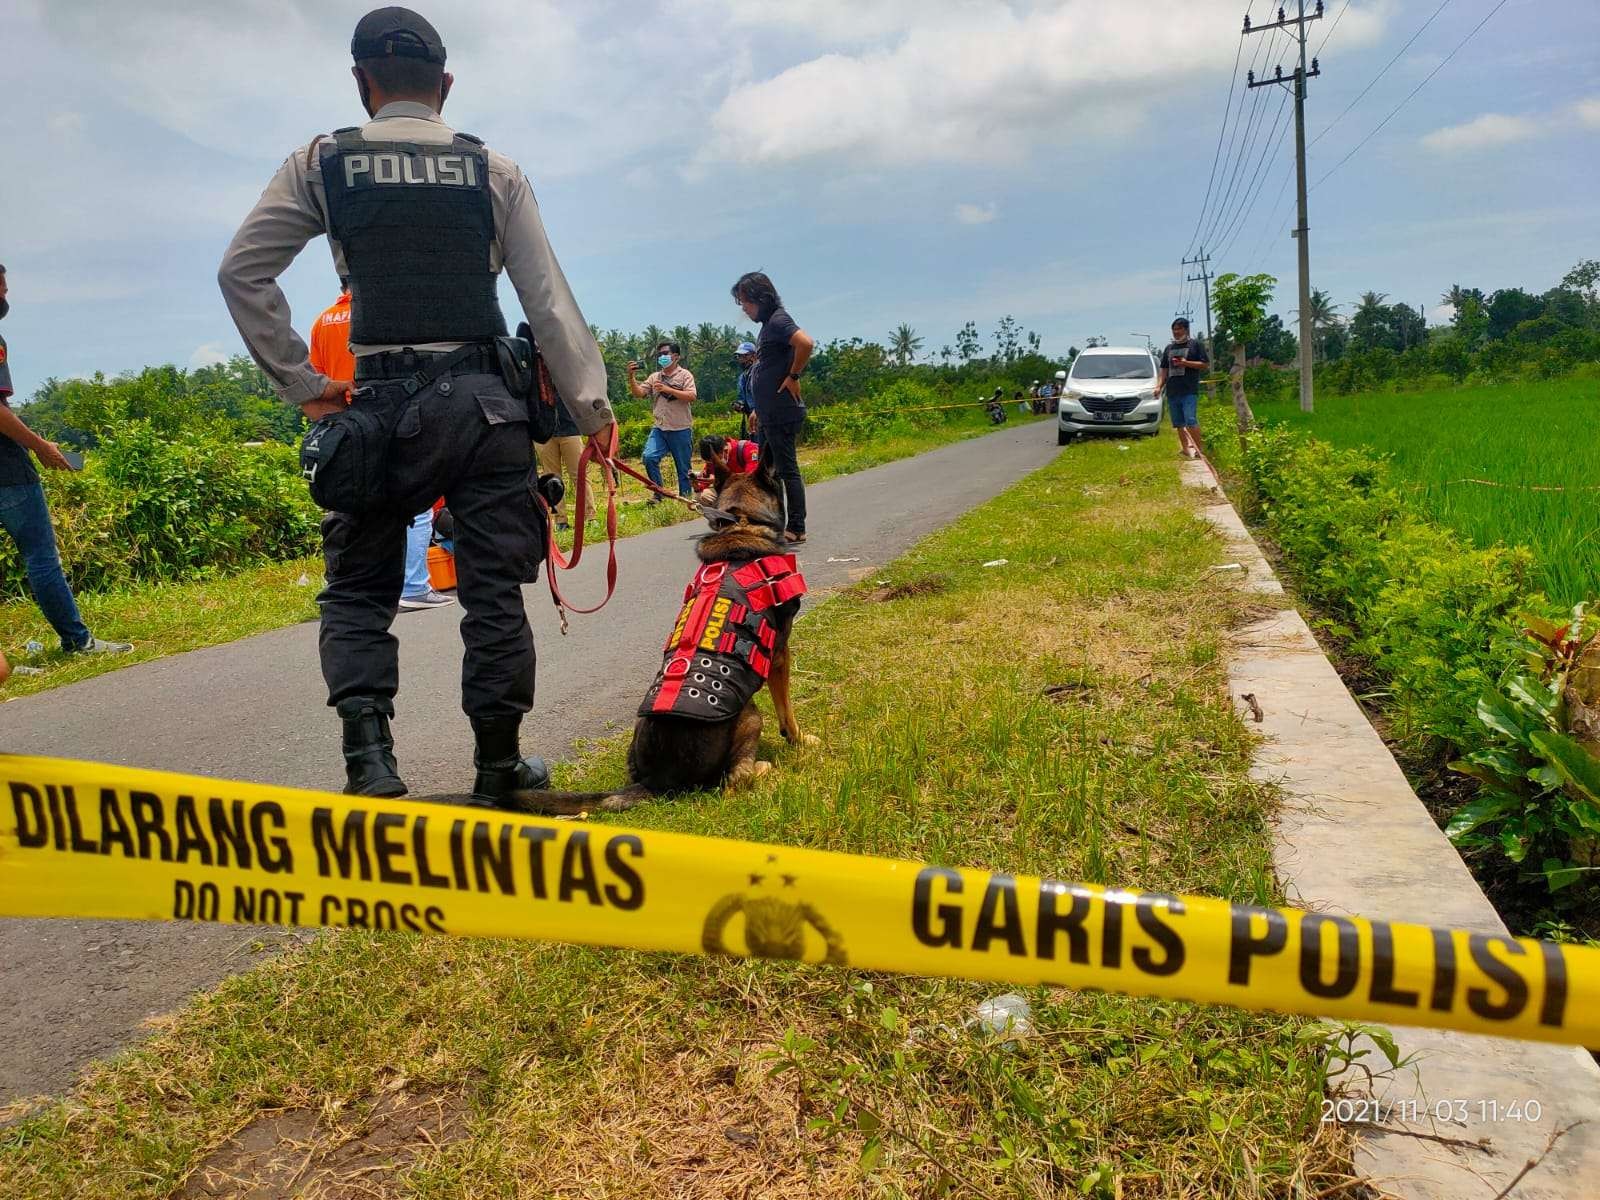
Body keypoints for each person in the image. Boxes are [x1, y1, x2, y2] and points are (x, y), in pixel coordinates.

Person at [217, 7, 614, 805]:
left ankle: (370, 764)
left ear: (362, 82)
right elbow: (548, 302)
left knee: (359, 589)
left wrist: (304, 383)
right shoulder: (492, 169)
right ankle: (498, 765)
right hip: (484, 408)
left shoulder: (321, 162)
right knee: (493, 591)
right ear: (447, 85)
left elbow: (242, 274)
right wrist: (593, 410)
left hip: (374, 409)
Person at [0, 265, 132, 658]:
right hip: (7, 473)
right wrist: (41, 446)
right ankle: (78, 641)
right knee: (41, 556)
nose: (7, 298)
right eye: (3, 289)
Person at [309, 284, 452, 610]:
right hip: (384, 417)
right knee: (415, 502)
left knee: (351, 507)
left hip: (342, 427)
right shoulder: (377, 313)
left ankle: (351, 584)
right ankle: (414, 586)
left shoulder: (322, 322)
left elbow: (315, 377)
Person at [732, 271, 814, 545]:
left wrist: (794, 376)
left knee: (785, 469)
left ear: (760, 297)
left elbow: (805, 343)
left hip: (781, 412)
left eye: (745, 301)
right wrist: (757, 409)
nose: (744, 308)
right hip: (767, 413)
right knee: (767, 471)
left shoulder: (778, 320)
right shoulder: (768, 325)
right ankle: (775, 523)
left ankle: (797, 526)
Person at [626, 340, 696, 501]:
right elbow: (639, 394)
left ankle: (686, 500)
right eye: (660, 354)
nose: (662, 357)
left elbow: (692, 396)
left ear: (676, 356)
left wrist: (668, 389)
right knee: (649, 457)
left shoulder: (685, 375)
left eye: (665, 353)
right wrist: (631, 377)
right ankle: (659, 494)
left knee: (684, 469)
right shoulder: (654, 377)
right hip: (659, 428)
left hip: (680, 428)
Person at [535, 394, 593, 531]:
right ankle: (560, 520)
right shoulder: (534, 374)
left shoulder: (566, 372)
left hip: (571, 428)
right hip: (544, 432)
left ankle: (590, 517)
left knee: (580, 474)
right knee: (551, 479)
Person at [1155, 316, 1209, 460]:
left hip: (1189, 390)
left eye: (1179, 329)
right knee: (1178, 422)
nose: (1176, 332)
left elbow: (1204, 365)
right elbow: (1164, 370)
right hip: (1173, 390)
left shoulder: (1195, 345)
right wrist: (1158, 386)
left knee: (1191, 420)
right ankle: (1185, 449)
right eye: (1174, 330)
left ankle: (1199, 451)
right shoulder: (1169, 348)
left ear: (1186, 329)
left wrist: (1186, 363)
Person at [691, 433, 759, 496]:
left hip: (751, 492)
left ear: (724, 450)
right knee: (702, 496)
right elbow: (703, 483)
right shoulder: (712, 461)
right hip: (731, 493)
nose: (714, 464)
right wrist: (697, 486)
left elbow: (751, 481)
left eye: (715, 461)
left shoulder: (749, 449)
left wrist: (724, 479)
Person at [732, 340, 757, 438]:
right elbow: (741, 397)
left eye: (745, 356)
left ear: (754, 356)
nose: (742, 359)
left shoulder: (760, 373)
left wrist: (757, 410)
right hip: (750, 418)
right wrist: (739, 405)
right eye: (740, 356)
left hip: (764, 417)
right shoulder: (742, 377)